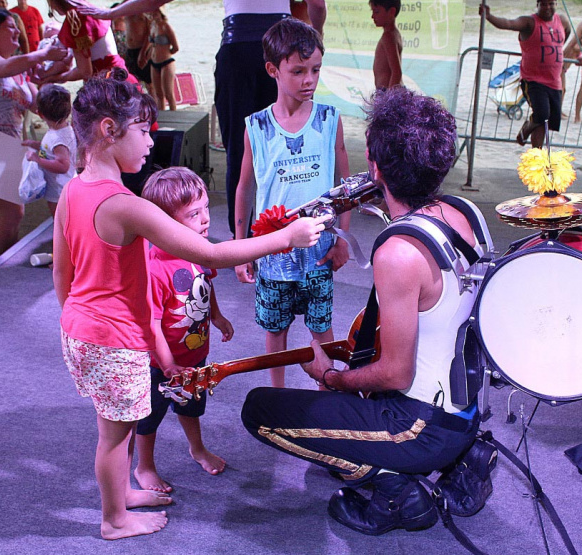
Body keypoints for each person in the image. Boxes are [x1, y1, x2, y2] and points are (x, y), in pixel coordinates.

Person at [53, 76, 325, 539]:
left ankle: (122, 495)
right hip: (110, 339)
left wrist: (79, 322)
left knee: (115, 428)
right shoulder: (123, 204)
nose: (150, 140)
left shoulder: (73, 189)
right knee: (114, 435)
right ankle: (114, 519)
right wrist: (285, 238)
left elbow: (63, 274)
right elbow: (211, 255)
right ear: (107, 129)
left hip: (83, 329)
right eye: (142, 130)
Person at [241, 86, 484, 535]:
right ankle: (462, 456)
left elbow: (395, 374)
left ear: (375, 165)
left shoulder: (398, 252)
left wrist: (330, 379)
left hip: (421, 427)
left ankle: (396, 492)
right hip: (466, 410)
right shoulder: (464, 211)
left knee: (258, 410)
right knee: (349, 397)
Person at [79, 0, 327, 235]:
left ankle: (243, 239)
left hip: (238, 51)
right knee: (291, 143)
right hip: (282, 49)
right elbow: (316, 5)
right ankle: (294, 226)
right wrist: (314, 39)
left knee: (240, 150)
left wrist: (110, 13)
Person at [233, 19, 350, 388]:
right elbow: (244, 188)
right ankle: (278, 393)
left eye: (315, 69)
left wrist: (344, 238)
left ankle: (328, 387)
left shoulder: (330, 120)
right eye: (298, 71)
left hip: (319, 249)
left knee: (322, 326)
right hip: (273, 251)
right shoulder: (257, 127)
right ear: (273, 70)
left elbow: (344, 187)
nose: (309, 80)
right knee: (276, 327)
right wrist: (241, 247)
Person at [133, 167, 231, 494]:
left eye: (205, 209)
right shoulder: (155, 268)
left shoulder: (200, 250)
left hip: (196, 353)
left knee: (191, 405)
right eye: (194, 214)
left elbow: (206, 286)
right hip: (158, 364)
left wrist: (216, 316)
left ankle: (197, 448)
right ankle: (144, 466)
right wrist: (166, 365)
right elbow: (148, 325)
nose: (205, 219)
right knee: (149, 418)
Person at [0, 8, 66, 260]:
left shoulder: (20, 69)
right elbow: (1, 68)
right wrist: (41, 53)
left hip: (8, 145)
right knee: (12, 214)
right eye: (10, 26)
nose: (16, 31)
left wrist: (57, 70)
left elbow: (38, 104)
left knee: (11, 214)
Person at [481, 0, 571, 148]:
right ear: (538, 5)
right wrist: (489, 16)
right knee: (541, 114)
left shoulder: (562, 20)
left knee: (547, 121)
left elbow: (566, 33)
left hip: (554, 80)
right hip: (534, 80)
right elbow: (508, 23)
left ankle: (538, 153)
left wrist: (556, 48)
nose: (547, 7)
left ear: (556, 4)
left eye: (551, 4)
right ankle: (527, 130)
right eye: (543, 4)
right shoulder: (529, 22)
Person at [45, 0, 134, 84]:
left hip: (106, 83)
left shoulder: (75, 19)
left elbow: (85, 72)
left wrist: (55, 78)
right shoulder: (87, 8)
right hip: (120, 76)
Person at [21, 84, 75, 217]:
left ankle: (63, 238)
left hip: (59, 190)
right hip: (58, 188)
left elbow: (63, 165)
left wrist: (37, 160)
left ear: (39, 113)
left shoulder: (58, 139)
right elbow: (49, 150)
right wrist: (35, 144)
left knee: (61, 221)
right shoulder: (59, 131)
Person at [141, 8, 178, 111]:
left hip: (166, 62)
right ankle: (162, 117)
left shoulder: (166, 26)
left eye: (156, 12)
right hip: (154, 62)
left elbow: (175, 47)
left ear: (161, 13)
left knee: (168, 94)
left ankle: (174, 118)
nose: (153, 14)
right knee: (158, 94)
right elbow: (152, 45)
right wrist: (146, 55)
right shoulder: (152, 26)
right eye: (151, 12)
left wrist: (164, 53)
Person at [369, 0, 402, 89]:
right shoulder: (392, 34)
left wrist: (389, 99)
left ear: (391, 12)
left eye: (376, 12)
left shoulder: (388, 37)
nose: (372, 16)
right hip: (386, 92)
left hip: (388, 92)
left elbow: (396, 72)